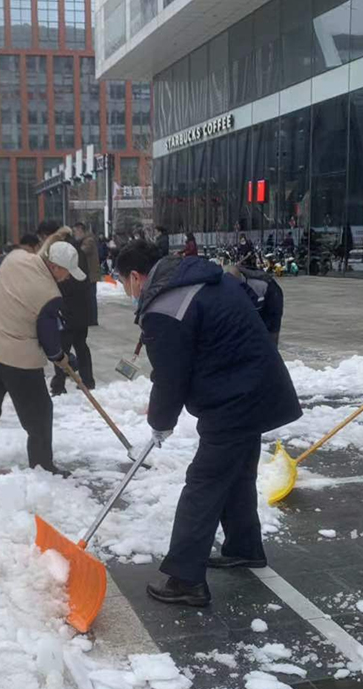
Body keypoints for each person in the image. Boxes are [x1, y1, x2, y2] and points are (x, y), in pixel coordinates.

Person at [116, 241, 302, 607]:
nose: (126, 290)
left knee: (203, 482)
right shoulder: (197, 277)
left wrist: (160, 421)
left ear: (136, 277)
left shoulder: (164, 306)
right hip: (256, 386)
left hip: (235, 398)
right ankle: (244, 547)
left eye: (123, 282)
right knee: (236, 474)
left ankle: (185, 579)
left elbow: (171, 377)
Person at [0, 240, 86, 477]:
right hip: (17, 359)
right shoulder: (49, 294)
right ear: (55, 267)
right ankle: (42, 467)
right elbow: (49, 342)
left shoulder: (15, 257)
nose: (67, 278)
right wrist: (62, 357)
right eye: (67, 272)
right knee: (39, 413)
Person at [48, 228, 95, 395]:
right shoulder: (75, 253)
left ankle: (59, 385)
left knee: (63, 349)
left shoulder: (67, 258)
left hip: (69, 313)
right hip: (79, 312)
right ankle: (87, 380)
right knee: (80, 346)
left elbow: (75, 284)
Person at [226, 265, 284, 347]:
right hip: (257, 297)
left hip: (272, 295)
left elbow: (253, 310)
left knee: (271, 332)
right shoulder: (228, 285)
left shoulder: (251, 287)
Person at [73, 222, 102, 327]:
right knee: (89, 297)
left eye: (76, 231)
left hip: (91, 274)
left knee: (91, 298)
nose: (75, 234)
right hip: (88, 274)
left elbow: (82, 251)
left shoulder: (88, 240)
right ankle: (90, 318)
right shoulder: (86, 240)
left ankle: (93, 319)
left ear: (81, 230)